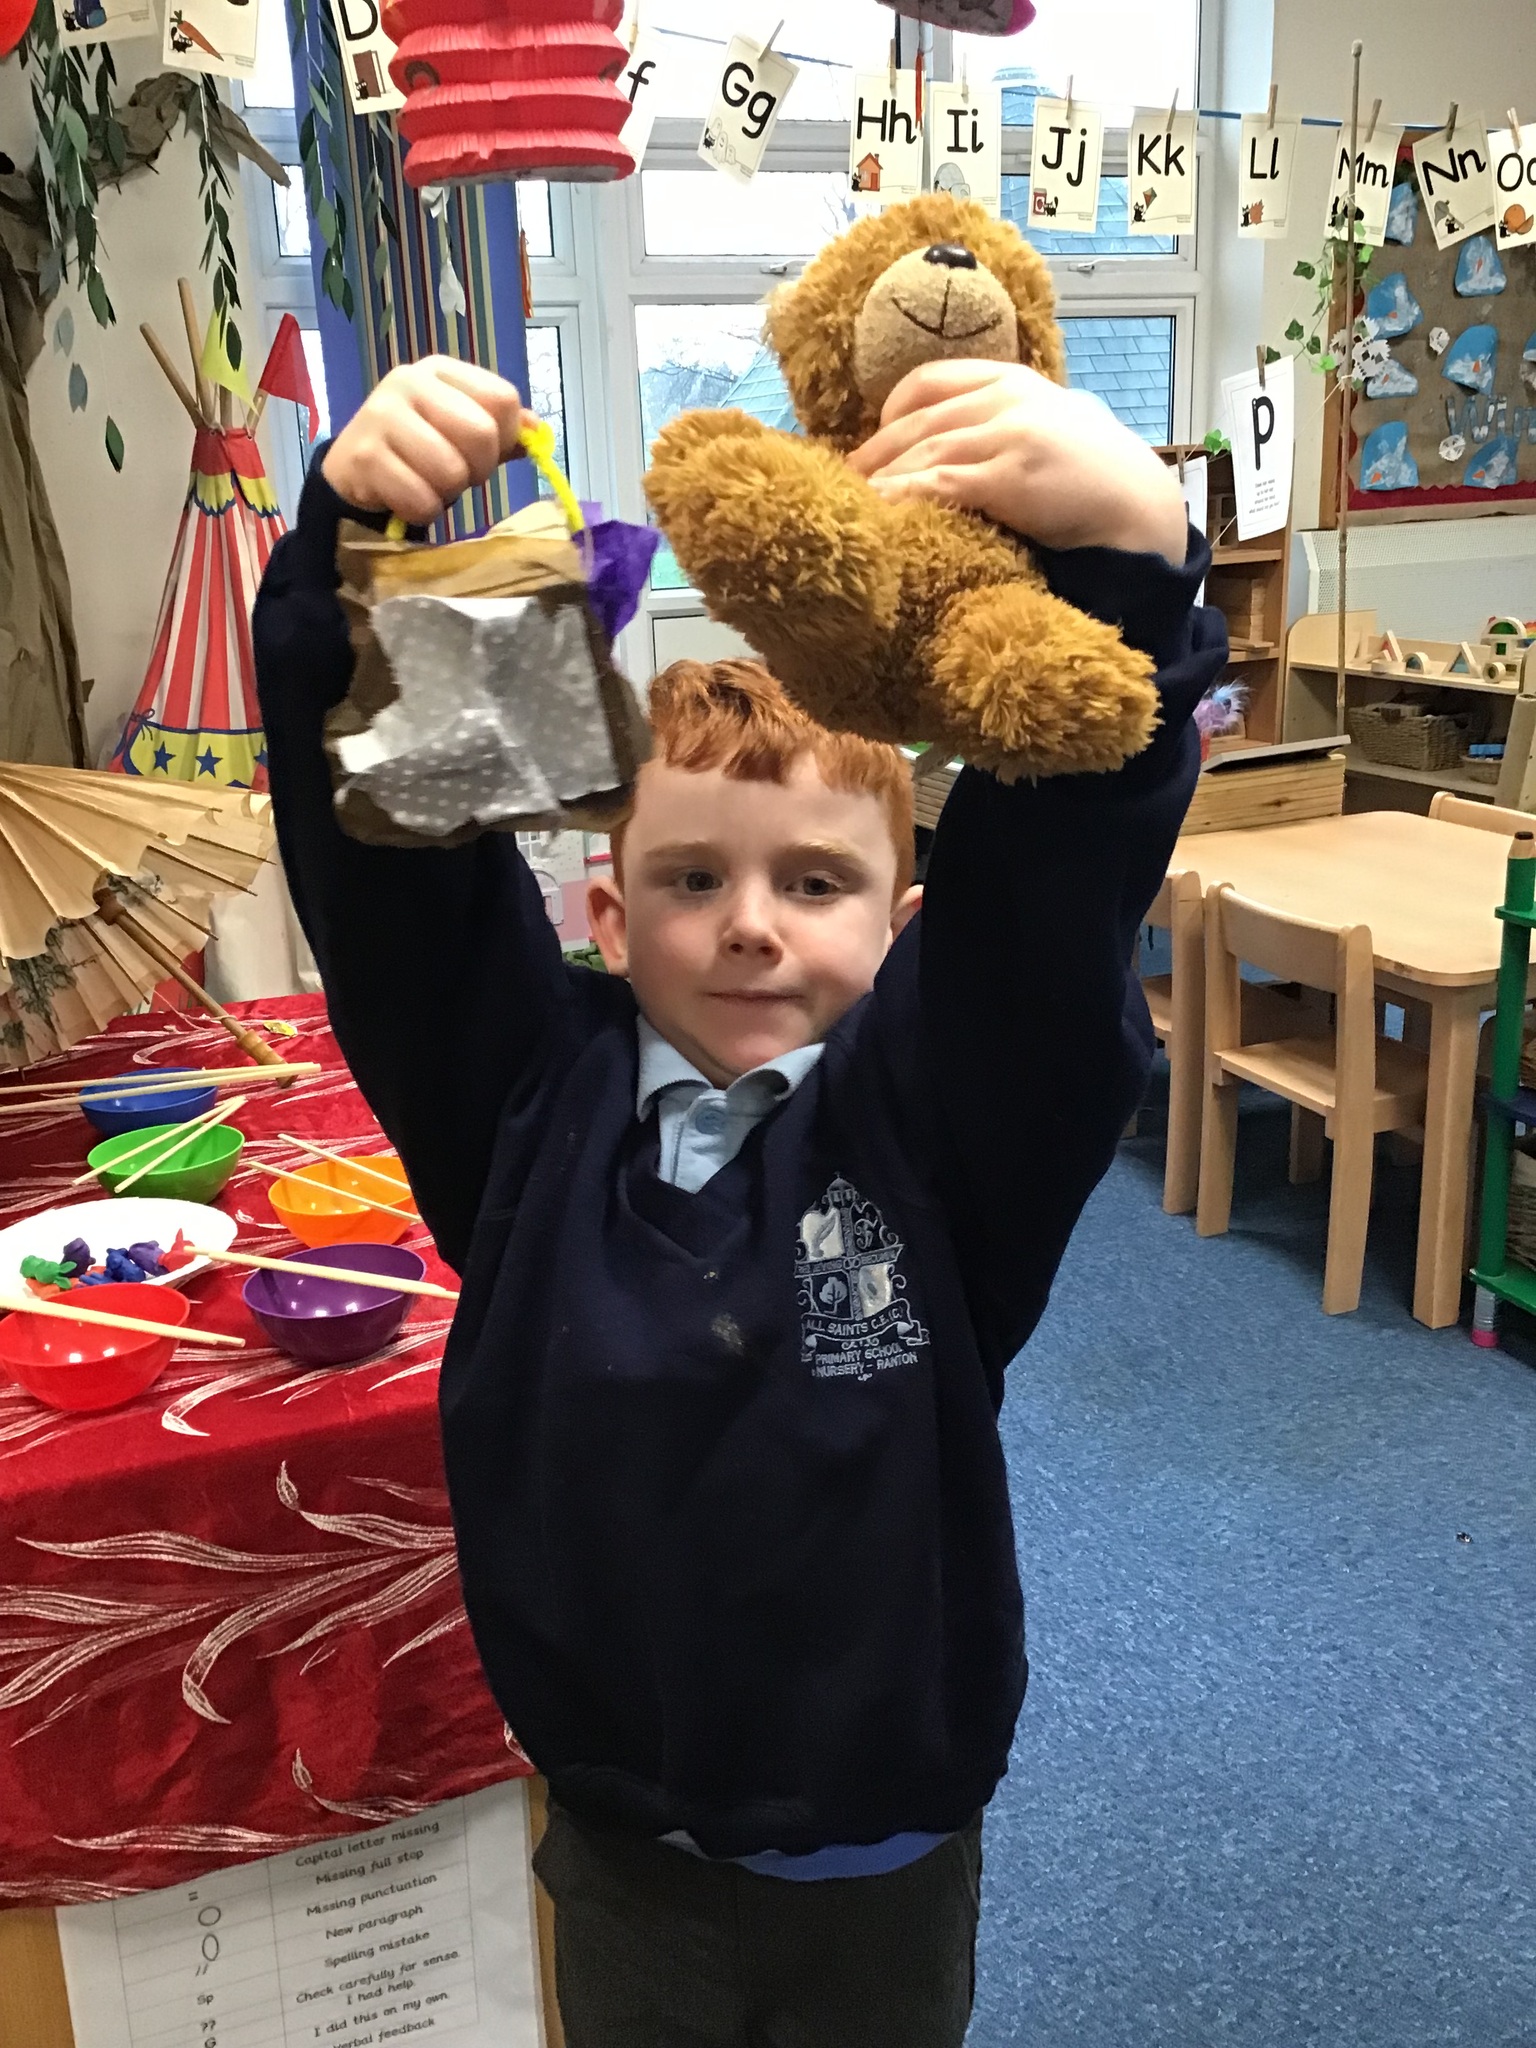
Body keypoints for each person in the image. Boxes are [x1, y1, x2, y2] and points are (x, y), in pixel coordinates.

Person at [253, 352, 1223, 2048]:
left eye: (816, 881)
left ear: (902, 923)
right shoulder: (524, 1107)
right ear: (608, 914)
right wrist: (354, 552)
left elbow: (1046, 912)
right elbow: (398, 889)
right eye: (692, 878)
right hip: (624, 1833)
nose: (754, 925)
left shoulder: (944, 1126)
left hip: (885, 1847)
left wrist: (1135, 575)